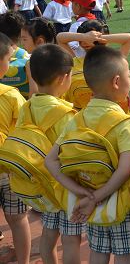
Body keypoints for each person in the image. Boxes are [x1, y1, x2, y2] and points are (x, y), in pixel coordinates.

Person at [45, 45, 130, 263]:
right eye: (128, 76)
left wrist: (85, 194)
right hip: (124, 200)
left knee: (98, 251)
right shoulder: (124, 122)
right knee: (124, 255)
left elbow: (50, 161)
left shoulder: (77, 119)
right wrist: (96, 197)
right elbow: (124, 171)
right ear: (117, 82)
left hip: (89, 195)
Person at [17, 44, 83, 264]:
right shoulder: (66, 113)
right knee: (71, 238)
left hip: (41, 183)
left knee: (49, 232)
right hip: (64, 185)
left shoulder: (27, 106)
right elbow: (73, 153)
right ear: (63, 78)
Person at [0, 32, 30, 264]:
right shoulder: (11, 95)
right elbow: (25, 128)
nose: (10, 64)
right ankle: (24, 261)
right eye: (8, 60)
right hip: (9, 168)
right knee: (18, 219)